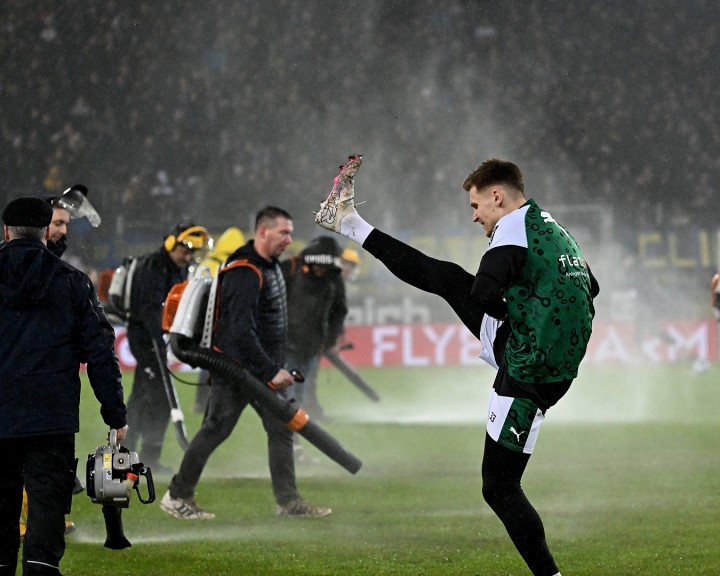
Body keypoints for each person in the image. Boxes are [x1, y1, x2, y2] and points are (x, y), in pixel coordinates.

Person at [318, 156, 597, 576]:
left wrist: (519, 319)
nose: (475, 217)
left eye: (475, 206)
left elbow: (484, 292)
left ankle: (551, 575)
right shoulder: (553, 229)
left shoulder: (512, 228)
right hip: (554, 363)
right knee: (447, 278)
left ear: (497, 197)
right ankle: (349, 221)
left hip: (527, 368)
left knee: (499, 487)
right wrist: (536, 311)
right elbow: (592, 286)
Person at [161, 207, 331, 519]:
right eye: (284, 233)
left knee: (279, 428)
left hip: (256, 369)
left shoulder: (268, 266)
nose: (289, 239)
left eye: (290, 233)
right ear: (263, 232)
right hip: (239, 370)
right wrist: (270, 370)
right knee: (216, 429)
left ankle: (289, 502)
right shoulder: (245, 272)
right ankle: (176, 495)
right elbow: (239, 332)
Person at [0, 196, 128, 576]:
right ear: (45, 233)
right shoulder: (72, 282)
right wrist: (115, 413)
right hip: (50, 422)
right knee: (46, 519)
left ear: (6, 231)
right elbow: (100, 353)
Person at [123, 224, 211, 473]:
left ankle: (145, 457)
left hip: (158, 339)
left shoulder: (176, 269)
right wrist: (160, 338)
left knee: (149, 396)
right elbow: (149, 309)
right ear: (172, 244)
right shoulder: (153, 267)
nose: (189, 256)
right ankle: (131, 456)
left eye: (192, 252)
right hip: (146, 339)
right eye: (185, 250)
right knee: (149, 399)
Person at [283, 236, 351, 424]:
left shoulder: (331, 277)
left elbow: (339, 311)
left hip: (311, 344)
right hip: (289, 343)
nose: (321, 272)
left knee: (304, 385)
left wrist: (330, 340)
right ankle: (293, 425)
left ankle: (303, 421)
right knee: (292, 387)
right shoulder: (290, 269)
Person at [191, 226, 246, 414]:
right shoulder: (236, 266)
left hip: (202, 325)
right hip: (224, 325)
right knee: (223, 368)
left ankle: (200, 402)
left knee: (206, 365)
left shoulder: (207, 263)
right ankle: (219, 404)